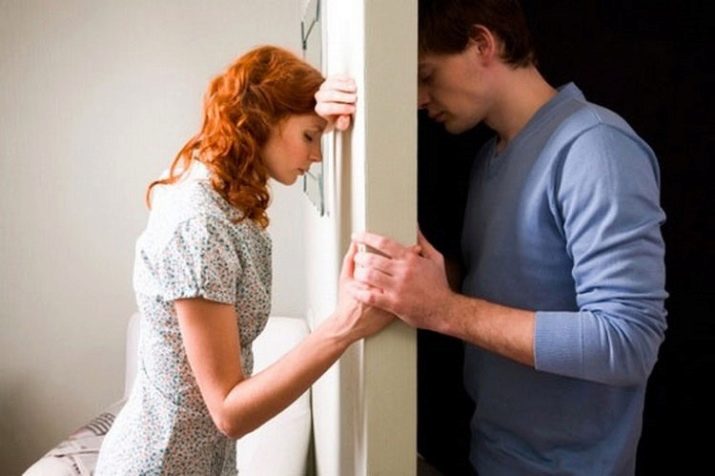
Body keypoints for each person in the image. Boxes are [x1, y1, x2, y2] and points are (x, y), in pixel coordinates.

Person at [316, 0, 668, 474]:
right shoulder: (491, 159)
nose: (419, 98)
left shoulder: (595, 148)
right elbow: (503, 290)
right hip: (492, 456)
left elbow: (626, 343)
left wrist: (443, 309)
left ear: (482, 44)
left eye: (426, 75)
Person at [95, 45, 392, 475]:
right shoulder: (200, 226)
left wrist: (318, 107)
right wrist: (345, 326)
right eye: (309, 136)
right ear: (262, 120)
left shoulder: (217, 192)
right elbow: (229, 411)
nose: (317, 156)